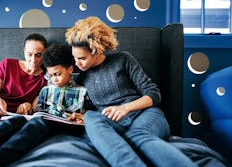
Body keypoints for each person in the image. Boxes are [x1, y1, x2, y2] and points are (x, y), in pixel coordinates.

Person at [65, 16, 197, 167]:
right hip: (114, 123)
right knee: (90, 117)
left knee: (137, 136)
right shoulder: (83, 76)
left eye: (82, 58)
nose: (77, 63)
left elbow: (154, 94)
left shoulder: (123, 59)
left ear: (96, 50)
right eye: (74, 58)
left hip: (146, 114)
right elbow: (91, 109)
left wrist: (125, 108)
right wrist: (81, 116)